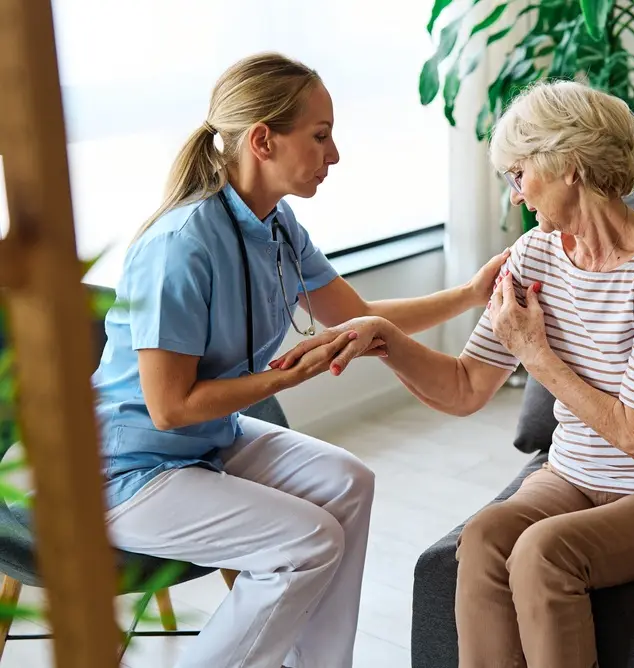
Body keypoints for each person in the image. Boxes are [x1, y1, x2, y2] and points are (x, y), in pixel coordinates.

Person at [276, 80, 634, 668]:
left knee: (543, 552)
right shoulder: (535, 256)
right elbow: (468, 386)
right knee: (486, 535)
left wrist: (537, 354)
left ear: (569, 166)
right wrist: (385, 340)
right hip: (573, 476)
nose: (517, 197)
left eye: (520, 174)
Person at [92, 52, 507, 668]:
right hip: (124, 471)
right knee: (307, 541)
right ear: (262, 139)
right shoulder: (179, 247)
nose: (333, 154)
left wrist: (473, 294)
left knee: (350, 482)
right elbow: (170, 406)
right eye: (319, 136)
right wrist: (289, 375)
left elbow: (358, 316)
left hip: (207, 441)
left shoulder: (277, 225)